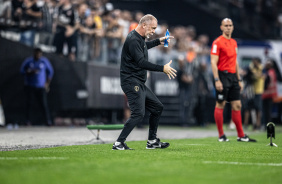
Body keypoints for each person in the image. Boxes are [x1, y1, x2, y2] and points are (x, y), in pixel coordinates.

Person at [112, 14, 176, 150]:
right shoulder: (133, 39)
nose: (153, 31)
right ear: (144, 25)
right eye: (152, 28)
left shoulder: (138, 38)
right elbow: (141, 62)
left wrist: (159, 41)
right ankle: (118, 143)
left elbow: (144, 46)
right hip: (131, 81)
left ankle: (152, 141)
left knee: (157, 107)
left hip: (138, 82)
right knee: (138, 113)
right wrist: (162, 68)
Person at [210, 18, 256, 142]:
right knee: (220, 104)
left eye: (230, 25)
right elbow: (213, 62)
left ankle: (241, 135)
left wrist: (239, 79)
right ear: (221, 27)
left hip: (233, 77)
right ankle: (221, 135)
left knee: (237, 105)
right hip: (222, 76)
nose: (228, 27)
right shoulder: (217, 42)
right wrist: (216, 79)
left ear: (233, 27)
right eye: (226, 25)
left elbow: (235, 61)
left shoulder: (234, 43)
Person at [20, 48, 54, 126]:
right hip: (30, 86)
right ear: (34, 53)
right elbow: (21, 71)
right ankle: (27, 121)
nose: (38, 55)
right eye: (36, 54)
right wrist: (29, 72)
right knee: (28, 104)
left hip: (40, 87)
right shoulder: (28, 61)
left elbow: (51, 72)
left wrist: (47, 83)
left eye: (39, 54)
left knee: (43, 104)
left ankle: (47, 121)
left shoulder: (44, 61)